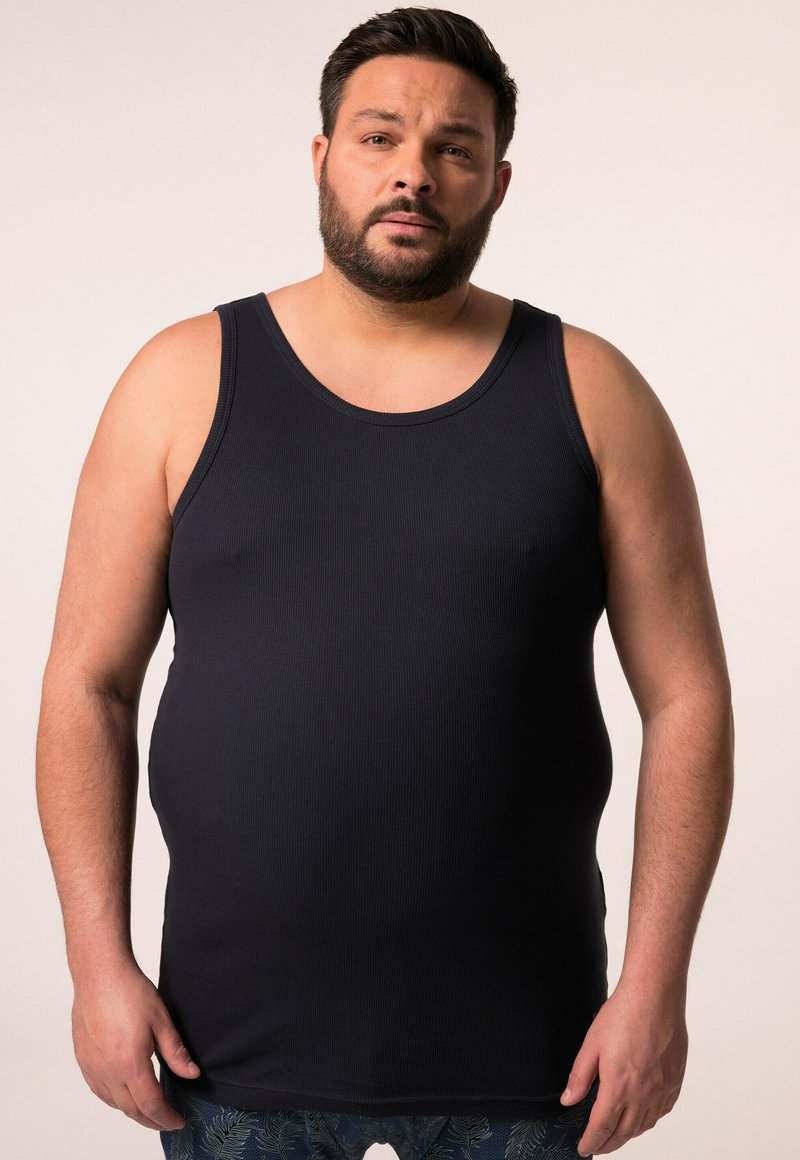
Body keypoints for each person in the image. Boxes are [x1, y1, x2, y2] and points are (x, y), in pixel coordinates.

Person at [35, 7, 734, 1159]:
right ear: (321, 159)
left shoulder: (593, 392)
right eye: (378, 137)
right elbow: (88, 685)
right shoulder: (177, 381)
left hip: (529, 1055)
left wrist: (655, 986)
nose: (413, 171)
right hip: (229, 1055)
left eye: (453, 148)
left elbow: (688, 697)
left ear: (496, 183)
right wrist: (93, 962)